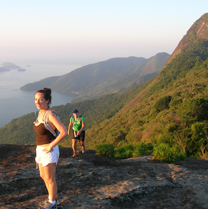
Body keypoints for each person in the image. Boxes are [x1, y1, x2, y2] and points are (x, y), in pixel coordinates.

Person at [33, 87, 67, 209]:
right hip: (40, 149)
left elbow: (64, 132)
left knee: (50, 178)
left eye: (41, 100)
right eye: (36, 99)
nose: (38, 102)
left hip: (49, 150)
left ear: (47, 100)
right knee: (43, 176)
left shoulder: (50, 115)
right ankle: (51, 198)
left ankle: (53, 202)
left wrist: (51, 145)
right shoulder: (39, 113)